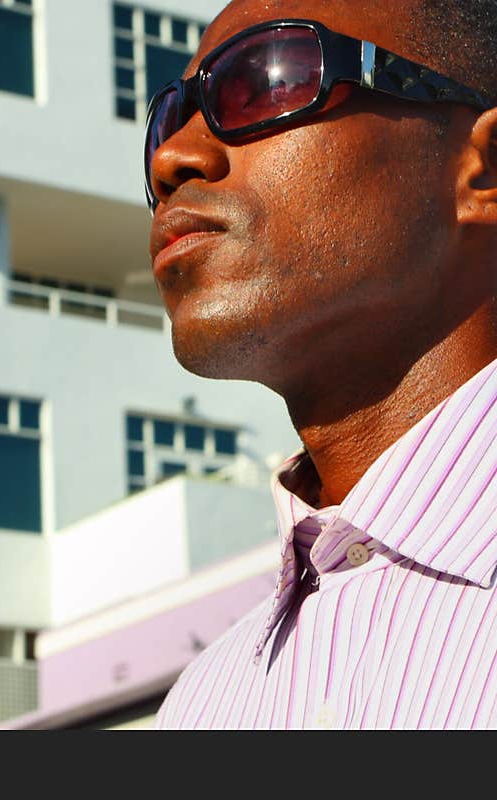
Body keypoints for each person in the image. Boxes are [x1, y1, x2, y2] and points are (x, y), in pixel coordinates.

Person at [146, 0, 497, 729]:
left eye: (267, 79)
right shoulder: (203, 704)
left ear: (484, 171)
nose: (173, 156)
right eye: (168, 115)